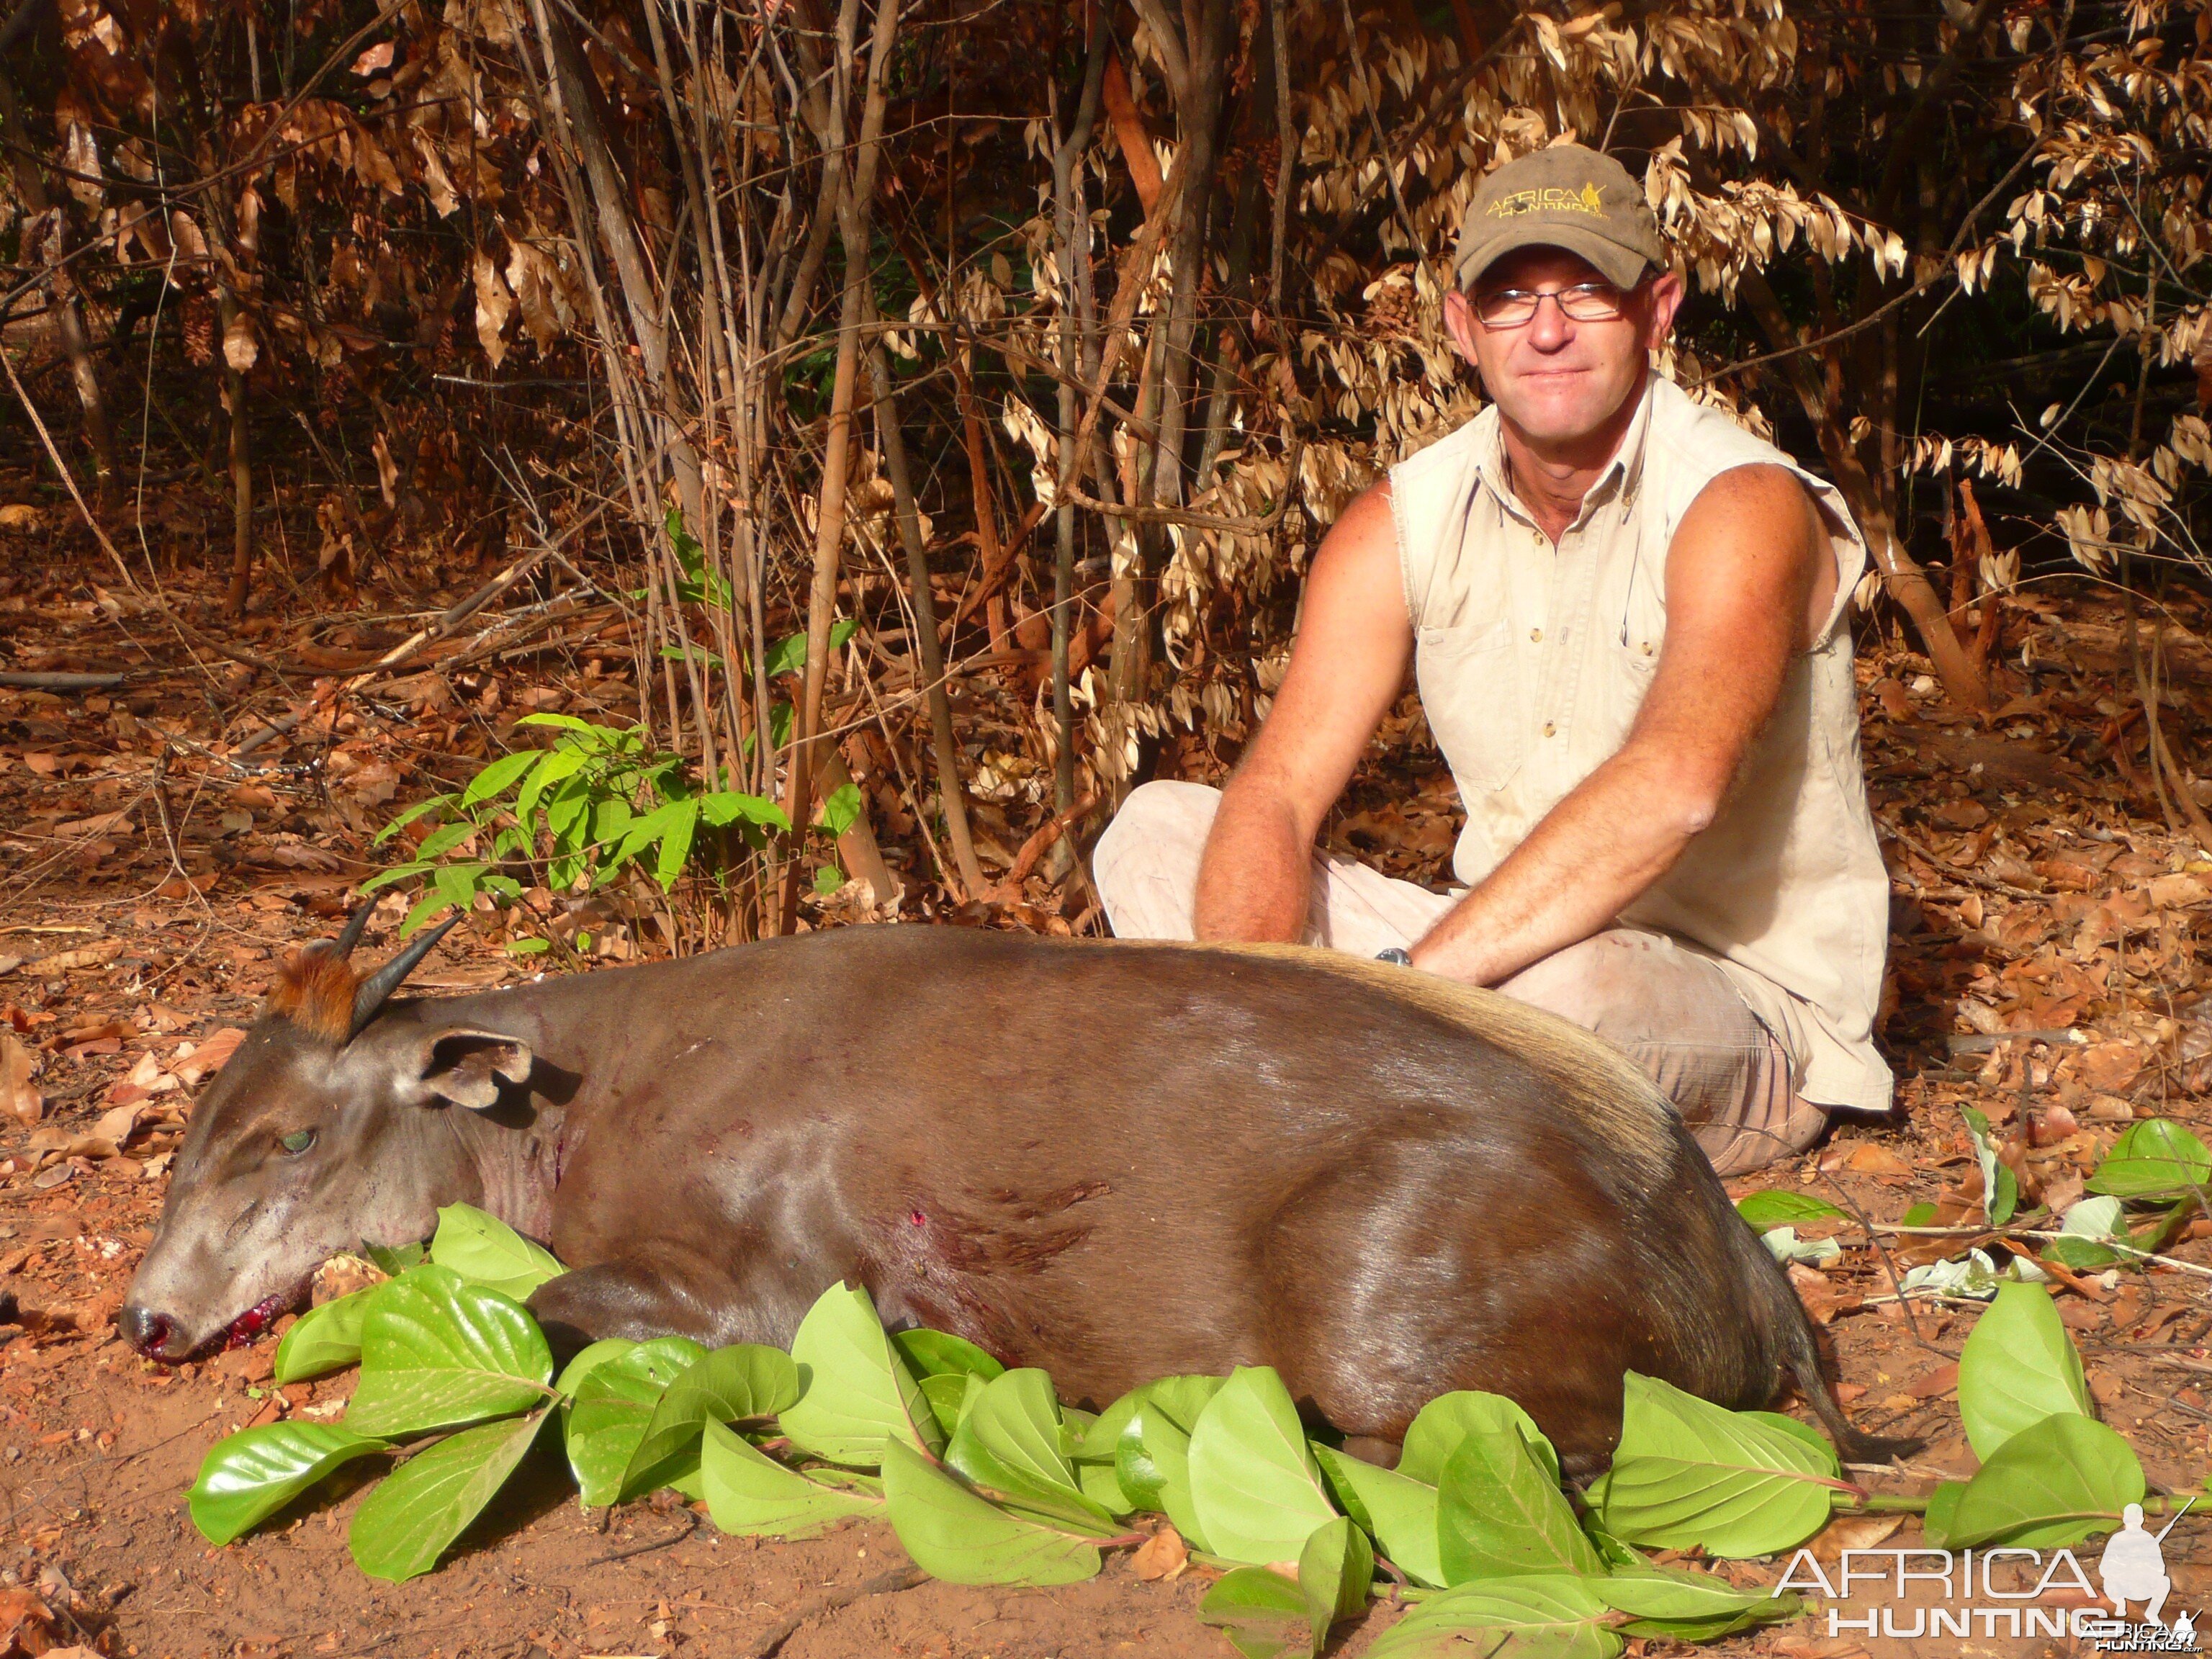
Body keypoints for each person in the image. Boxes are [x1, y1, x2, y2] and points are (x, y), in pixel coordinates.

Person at [1092, 143, 1892, 1177]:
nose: (1548, 330)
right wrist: (1262, 995)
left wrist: (1405, 989)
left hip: (1722, 1006)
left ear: (1659, 309)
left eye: (1586, 293)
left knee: (1564, 1002)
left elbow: (1676, 789)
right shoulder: (1402, 518)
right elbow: (1280, 795)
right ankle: (1305, 1108)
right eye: (1511, 298)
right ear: (1461, 328)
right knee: (1157, 835)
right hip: (1481, 964)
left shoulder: (1741, 503)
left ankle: (1306, 1126)